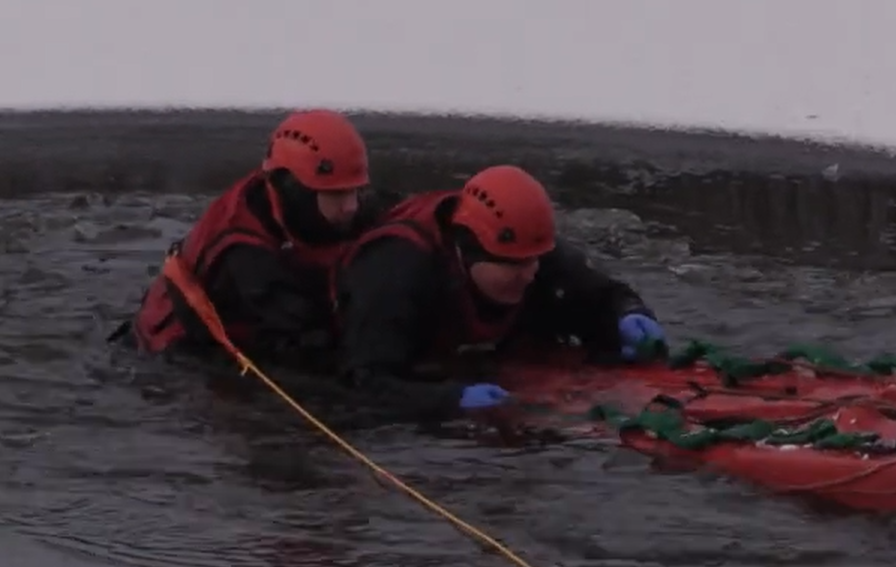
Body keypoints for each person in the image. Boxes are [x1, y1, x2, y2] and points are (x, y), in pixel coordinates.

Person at [335, 164, 667, 422]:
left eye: (534, 261)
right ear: (469, 253)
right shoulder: (396, 272)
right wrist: (449, 401)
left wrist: (628, 313)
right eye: (513, 266)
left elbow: (600, 295)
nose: (529, 275)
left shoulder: (531, 250)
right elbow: (367, 381)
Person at [121, 108, 403, 369]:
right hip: (176, 352)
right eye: (337, 195)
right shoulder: (247, 254)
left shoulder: (300, 196)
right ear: (294, 190)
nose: (351, 206)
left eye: (354, 191)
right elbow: (311, 338)